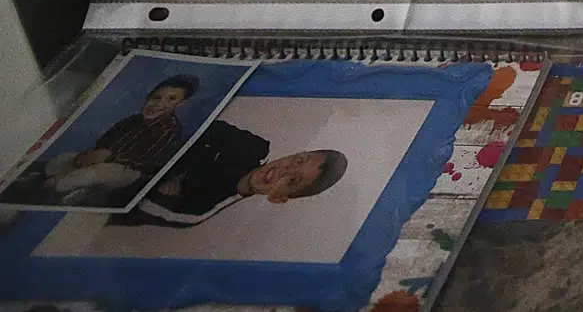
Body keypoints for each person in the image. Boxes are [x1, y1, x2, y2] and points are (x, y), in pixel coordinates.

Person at [111, 117, 347, 228]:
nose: (284, 169)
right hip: (126, 135)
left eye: (293, 179)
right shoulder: (251, 146)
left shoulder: (198, 210)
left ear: (278, 197)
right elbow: (193, 125)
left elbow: (124, 202)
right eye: (297, 160)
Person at [22, 75, 198, 207]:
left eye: (171, 99)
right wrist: (94, 154)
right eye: (156, 97)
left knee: (92, 174)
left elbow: (147, 160)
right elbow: (107, 139)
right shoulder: (132, 121)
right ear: (147, 98)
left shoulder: (169, 129)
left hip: (131, 170)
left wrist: (109, 155)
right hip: (104, 160)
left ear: (180, 105)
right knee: (64, 158)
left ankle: (58, 186)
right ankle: (56, 178)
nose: (159, 103)